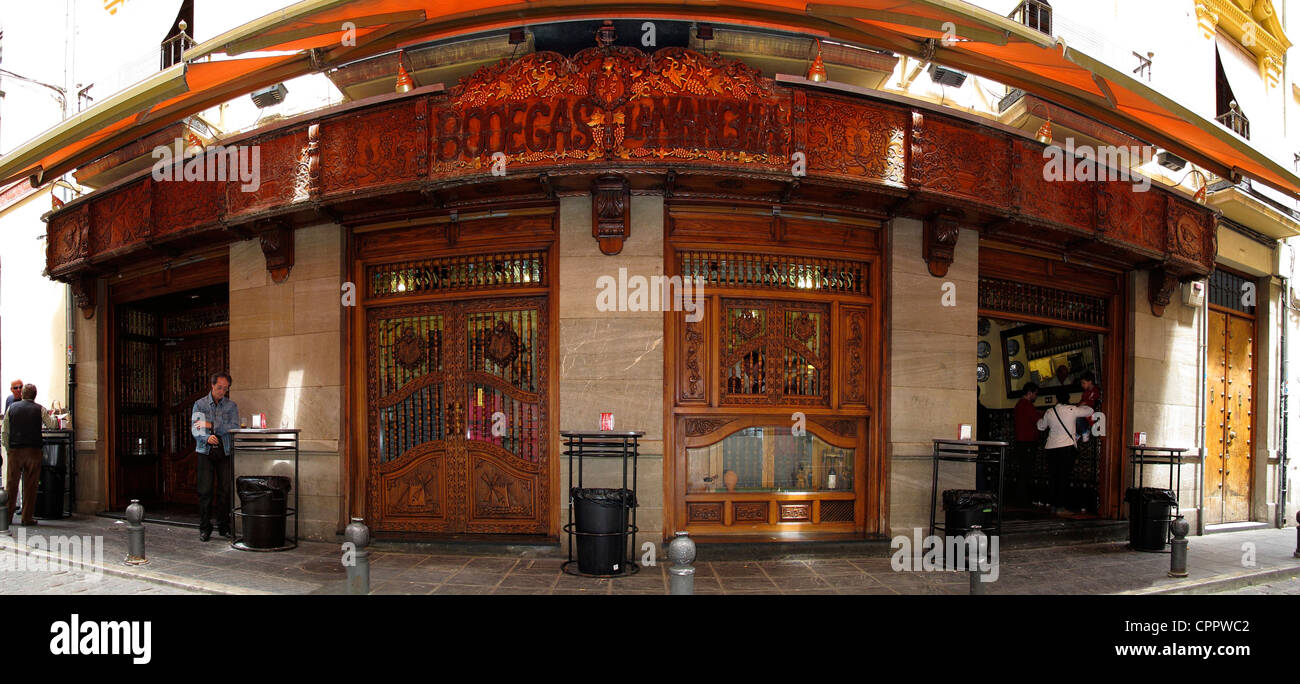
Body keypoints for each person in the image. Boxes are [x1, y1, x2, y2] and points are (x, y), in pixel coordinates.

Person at [191, 372, 238, 542]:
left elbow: (234, 426)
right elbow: (196, 429)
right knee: (205, 491)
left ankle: (224, 526)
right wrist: (206, 436)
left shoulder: (231, 406)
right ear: (212, 385)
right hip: (205, 451)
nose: (222, 391)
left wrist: (210, 425)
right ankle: (205, 528)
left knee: (225, 490)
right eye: (219, 388)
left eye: (225, 389)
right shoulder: (200, 404)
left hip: (224, 451)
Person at [2, 383, 58, 526]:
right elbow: (52, 425)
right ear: (35, 395)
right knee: (31, 485)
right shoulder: (40, 409)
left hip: (15, 451)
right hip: (33, 451)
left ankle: (7, 517)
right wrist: (55, 416)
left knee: (11, 484)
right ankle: (27, 518)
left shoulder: (11, 408)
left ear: (22, 394)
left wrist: (8, 448)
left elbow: (5, 431)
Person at [1037, 387, 1094, 515]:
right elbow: (1090, 411)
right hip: (1067, 447)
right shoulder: (1072, 409)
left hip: (1051, 447)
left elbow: (1041, 427)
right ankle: (1060, 507)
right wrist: (1083, 405)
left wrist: (1040, 419)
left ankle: (1053, 505)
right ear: (1068, 399)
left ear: (1057, 399)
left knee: (1053, 477)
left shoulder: (1049, 411)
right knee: (1063, 477)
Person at [1012, 382, 1043, 507]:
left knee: (1022, 471)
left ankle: (1021, 498)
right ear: (1030, 393)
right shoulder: (1027, 405)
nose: (1036, 396)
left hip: (1020, 442)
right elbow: (1037, 422)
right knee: (1026, 471)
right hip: (1028, 442)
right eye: (1035, 393)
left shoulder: (1019, 404)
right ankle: (1023, 499)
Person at [1075, 371, 1102, 443]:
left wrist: (1086, 403)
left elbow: (1094, 402)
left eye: (1083, 383)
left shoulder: (1096, 391)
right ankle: (1079, 432)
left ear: (1090, 382)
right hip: (1085, 413)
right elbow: (1081, 402)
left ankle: (1083, 431)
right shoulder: (1085, 393)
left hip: (1092, 412)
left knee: (1079, 416)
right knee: (1074, 415)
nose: (1082, 385)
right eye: (1081, 383)